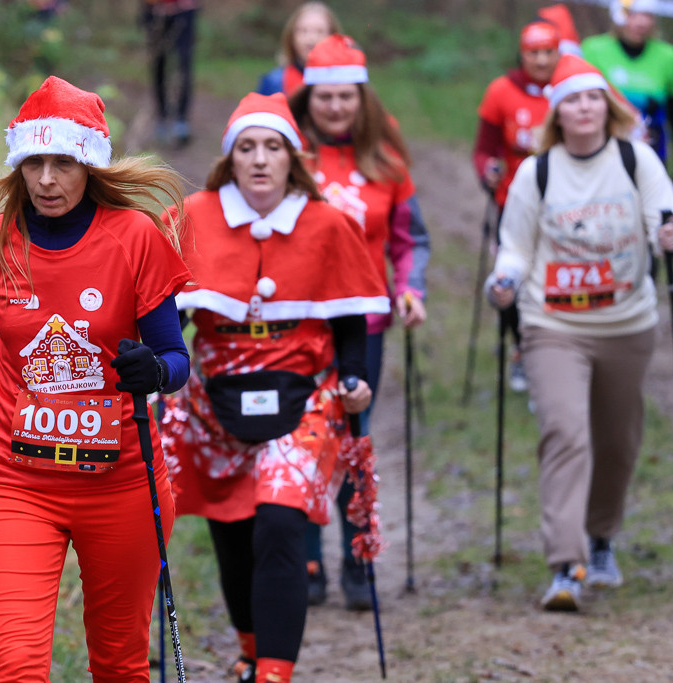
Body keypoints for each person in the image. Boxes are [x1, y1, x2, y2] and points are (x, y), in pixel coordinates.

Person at [0, 75, 194, 681]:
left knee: (119, 666)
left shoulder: (134, 239)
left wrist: (154, 371)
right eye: (33, 163)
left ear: (89, 163)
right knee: (13, 665)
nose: (46, 180)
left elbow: (176, 359)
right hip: (14, 482)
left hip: (121, 483)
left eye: (62, 162)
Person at [159, 92, 389, 683]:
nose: (260, 160)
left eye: (273, 147)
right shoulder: (194, 216)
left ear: (293, 158)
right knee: (233, 530)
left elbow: (348, 315)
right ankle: (250, 648)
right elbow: (169, 313)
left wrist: (356, 378)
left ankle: (274, 673)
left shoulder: (329, 222)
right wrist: (161, 367)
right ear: (230, 158)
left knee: (282, 523)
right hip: (215, 401)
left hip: (305, 399)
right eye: (247, 148)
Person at [485, 54, 673, 612]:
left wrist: (672, 235)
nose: (583, 107)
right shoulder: (537, 171)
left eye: (592, 97)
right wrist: (503, 280)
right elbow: (516, 246)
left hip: (627, 324)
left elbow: (667, 217)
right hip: (553, 326)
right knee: (566, 432)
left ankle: (601, 539)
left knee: (618, 443)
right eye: (572, 99)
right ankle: (566, 564)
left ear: (608, 106)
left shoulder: (635, 159)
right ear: (557, 111)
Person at [286, 34, 430, 610]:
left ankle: (357, 560)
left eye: (347, 96)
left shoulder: (386, 159)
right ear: (308, 98)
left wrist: (411, 288)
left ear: (362, 98)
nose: (336, 107)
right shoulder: (286, 155)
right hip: (293, 322)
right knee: (297, 439)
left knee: (351, 438)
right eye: (325, 97)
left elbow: (409, 238)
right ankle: (307, 559)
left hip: (363, 325)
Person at [473, 19, 563, 393]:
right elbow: (483, 150)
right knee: (511, 278)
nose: (541, 60)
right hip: (512, 202)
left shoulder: (568, 90)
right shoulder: (501, 91)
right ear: (522, 54)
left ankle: (560, 351)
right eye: (533, 53)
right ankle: (521, 348)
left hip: (563, 205)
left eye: (548, 52)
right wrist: (487, 171)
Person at [582, 0, 673, 200]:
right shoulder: (593, 50)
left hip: (651, 158)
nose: (641, 22)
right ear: (618, 15)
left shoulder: (668, 56)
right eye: (633, 14)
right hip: (601, 157)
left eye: (647, 15)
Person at [141, 0, 200, 148]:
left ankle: (181, 120)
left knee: (184, 66)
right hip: (155, 12)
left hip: (184, 12)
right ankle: (162, 117)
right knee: (158, 67)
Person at [256, 2, 342, 97]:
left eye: (320, 31)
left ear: (333, 36)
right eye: (303, 31)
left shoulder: (347, 80)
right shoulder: (275, 82)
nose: (311, 38)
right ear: (291, 36)